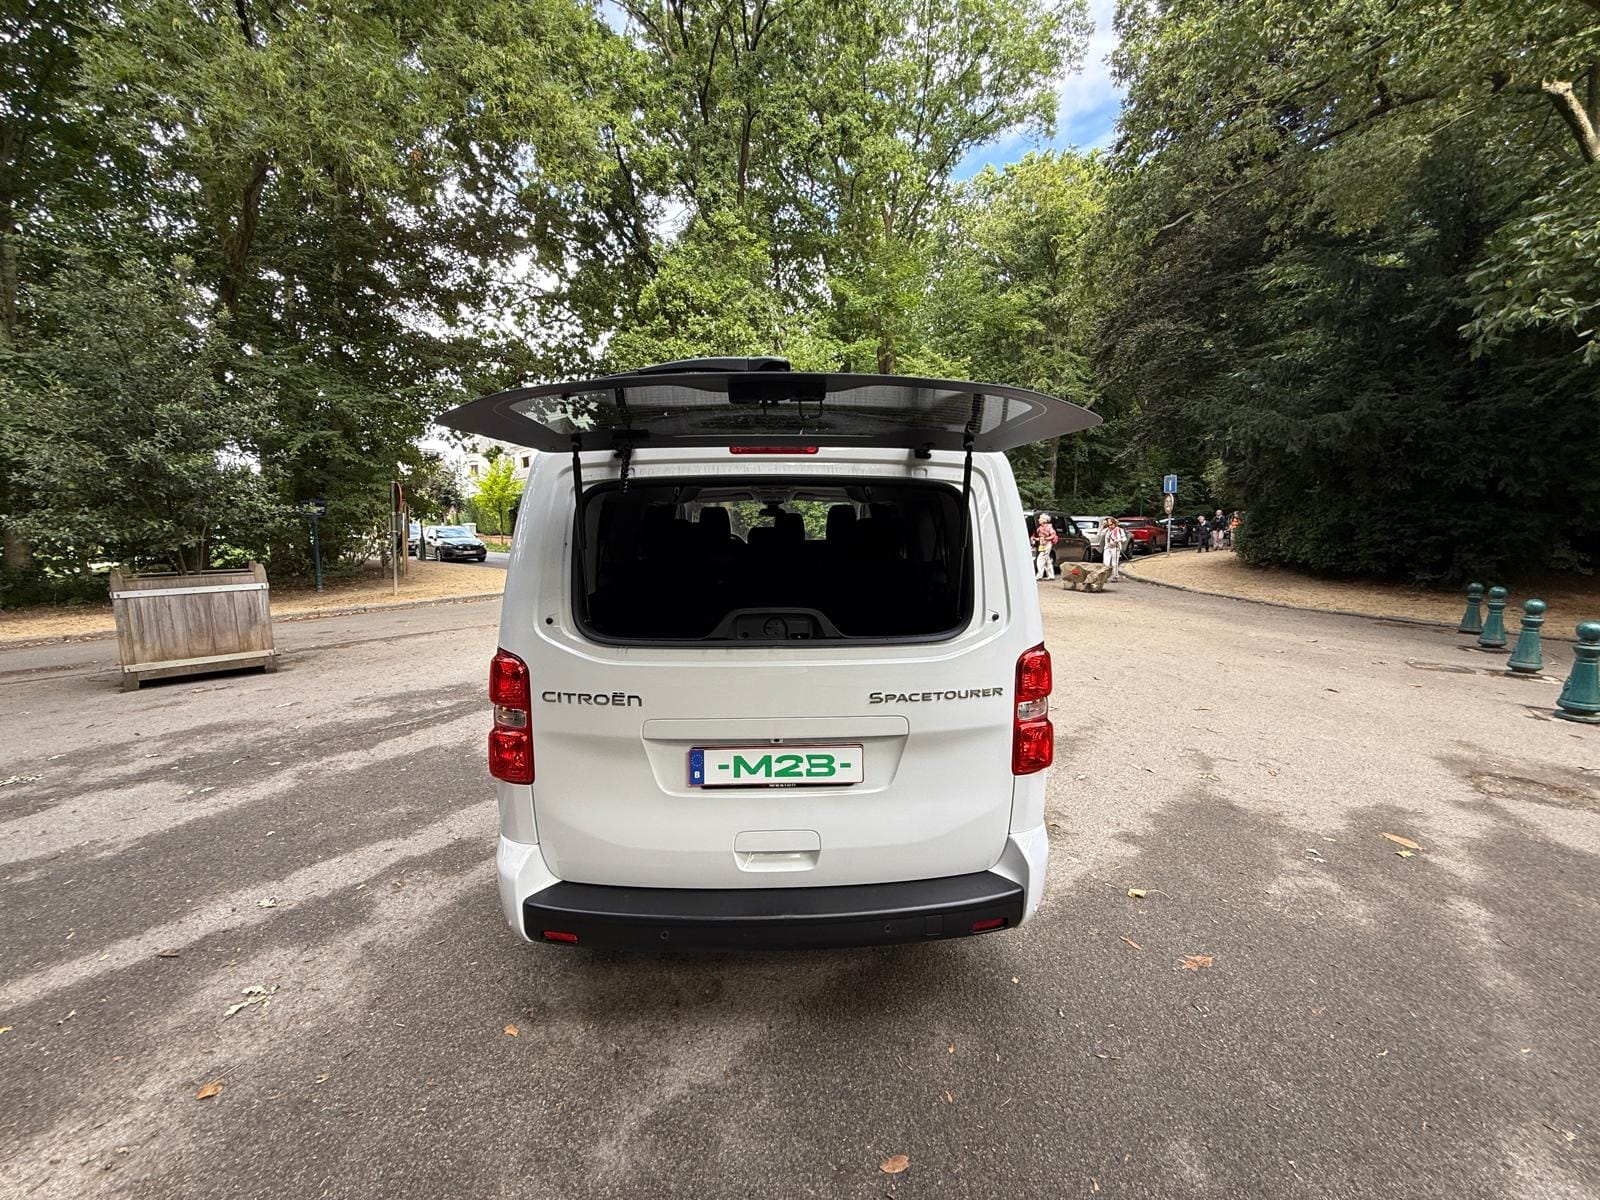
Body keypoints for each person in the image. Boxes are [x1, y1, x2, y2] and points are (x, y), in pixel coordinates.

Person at [1032, 514, 1059, 580]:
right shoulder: (1039, 528)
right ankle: (1051, 575)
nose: (1039, 520)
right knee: (1047, 560)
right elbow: (1040, 538)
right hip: (1043, 545)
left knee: (1040, 560)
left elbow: (1053, 536)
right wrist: (1035, 539)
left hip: (1047, 545)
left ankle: (1039, 575)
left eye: (1040, 519)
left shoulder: (1049, 527)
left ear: (1044, 520)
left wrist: (1045, 538)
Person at [1101, 515, 1126, 581]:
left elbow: (1124, 538)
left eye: (1111, 525)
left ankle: (1115, 576)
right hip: (1107, 547)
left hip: (1115, 547)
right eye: (1108, 525)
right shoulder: (1106, 530)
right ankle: (1105, 576)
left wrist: (1119, 540)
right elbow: (1100, 534)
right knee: (1106, 562)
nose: (1109, 526)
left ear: (1114, 524)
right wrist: (1103, 526)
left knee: (1114, 563)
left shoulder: (1119, 530)